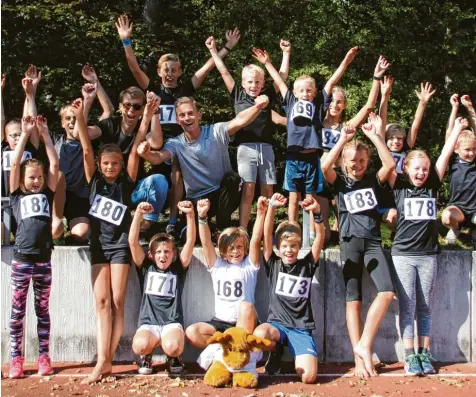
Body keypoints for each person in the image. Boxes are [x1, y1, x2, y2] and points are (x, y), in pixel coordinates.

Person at [116, 15, 240, 237]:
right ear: (159, 72)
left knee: (179, 174)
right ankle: (146, 219)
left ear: (180, 72)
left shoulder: (185, 89)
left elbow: (207, 67)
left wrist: (227, 47)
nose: (170, 74)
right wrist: (126, 41)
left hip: (182, 146)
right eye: (166, 70)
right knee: (160, 180)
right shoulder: (153, 88)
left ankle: (175, 220)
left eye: (174, 70)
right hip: (160, 146)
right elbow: (134, 69)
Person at [252, 46, 390, 240]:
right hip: (296, 157)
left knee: (311, 199)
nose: (305, 93)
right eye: (301, 90)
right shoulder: (293, 103)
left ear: (315, 92)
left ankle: (315, 233)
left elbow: (333, 81)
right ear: (294, 92)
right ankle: (292, 231)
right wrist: (267, 63)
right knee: (293, 198)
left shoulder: (321, 109)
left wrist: (346, 61)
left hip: (321, 165)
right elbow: (279, 83)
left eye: (309, 90)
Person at [75, 92, 160, 384]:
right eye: (106, 164)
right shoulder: (95, 179)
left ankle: (106, 361)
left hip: (121, 246)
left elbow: (136, 145)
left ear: (121, 166)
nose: (111, 167)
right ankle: (104, 360)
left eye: (115, 163)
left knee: (117, 300)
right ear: (100, 165)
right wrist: (78, 115)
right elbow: (86, 148)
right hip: (99, 245)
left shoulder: (127, 181)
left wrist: (147, 115)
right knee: (101, 303)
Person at [387, 117, 469, 376]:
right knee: (407, 306)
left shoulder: (432, 185)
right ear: (407, 169)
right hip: (403, 255)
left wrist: (456, 129)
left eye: (425, 169)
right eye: (417, 169)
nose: (421, 173)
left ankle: (424, 353)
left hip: (428, 255)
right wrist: (376, 136)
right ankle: (409, 355)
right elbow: (387, 161)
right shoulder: (399, 187)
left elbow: (445, 155)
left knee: (425, 307)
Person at [321, 114, 396, 379]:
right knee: (353, 300)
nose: (358, 165)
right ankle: (359, 358)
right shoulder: (340, 182)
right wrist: (342, 139)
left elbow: (389, 163)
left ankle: (364, 345)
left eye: (362, 161)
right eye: (353, 161)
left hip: (373, 241)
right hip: (350, 243)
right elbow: (324, 166)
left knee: (386, 291)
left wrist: (376, 136)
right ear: (344, 162)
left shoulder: (373, 180)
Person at [137, 95, 269, 231]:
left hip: (221, 195)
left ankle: (222, 227)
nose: (187, 118)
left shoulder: (215, 131)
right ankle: (197, 227)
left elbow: (239, 120)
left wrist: (257, 107)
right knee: (189, 236)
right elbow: (159, 157)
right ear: (178, 120)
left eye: (190, 113)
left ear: (199, 115)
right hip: (197, 199)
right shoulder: (175, 143)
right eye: (182, 115)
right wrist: (146, 154)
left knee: (233, 179)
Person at [205, 35, 291, 229]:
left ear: (262, 83)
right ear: (243, 83)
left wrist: (286, 53)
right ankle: (243, 230)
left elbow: (282, 76)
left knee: (268, 190)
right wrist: (212, 50)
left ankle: (267, 230)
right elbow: (223, 71)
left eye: (258, 82)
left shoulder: (267, 95)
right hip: (245, 148)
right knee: (248, 190)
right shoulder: (238, 94)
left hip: (266, 148)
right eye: (250, 82)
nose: (254, 86)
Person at [252, 194, 325, 384]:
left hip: (300, 328)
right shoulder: (273, 263)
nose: (289, 250)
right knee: (260, 334)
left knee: (309, 377)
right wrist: (272, 208)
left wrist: (317, 213)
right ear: (278, 246)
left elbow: (320, 237)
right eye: (284, 246)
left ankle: (294, 350)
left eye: (293, 246)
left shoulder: (307, 265)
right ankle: (275, 350)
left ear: (299, 246)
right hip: (277, 325)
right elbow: (266, 236)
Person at [8, 115, 59, 378]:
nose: (36, 181)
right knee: (17, 311)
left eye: (39, 177)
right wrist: (26, 134)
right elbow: (15, 161)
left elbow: (54, 162)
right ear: (22, 179)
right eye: (31, 177)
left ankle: (43, 356)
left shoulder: (46, 193)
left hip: (43, 260)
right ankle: (15, 358)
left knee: (42, 310)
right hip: (21, 260)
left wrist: (46, 133)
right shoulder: (16, 194)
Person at [83, 86, 168, 241]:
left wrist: (154, 111)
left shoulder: (144, 125)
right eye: (127, 105)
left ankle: (145, 227)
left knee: (159, 180)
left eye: (136, 107)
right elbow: (83, 141)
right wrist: (86, 103)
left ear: (142, 109)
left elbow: (153, 143)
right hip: (107, 191)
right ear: (120, 106)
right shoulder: (109, 125)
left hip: (131, 186)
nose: (131, 111)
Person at [319, 53, 390, 238]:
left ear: (344, 105)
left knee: (340, 213)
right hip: (320, 174)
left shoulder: (347, 127)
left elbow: (368, 107)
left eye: (339, 102)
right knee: (323, 229)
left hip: (339, 177)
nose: (335, 104)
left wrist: (376, 77)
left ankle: (342, 231)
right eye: (332, 101)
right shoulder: (316, 123)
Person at [185, 196, 265, 349]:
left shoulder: (249, 266)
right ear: (223, 250)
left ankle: (241, 352)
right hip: (221, 323)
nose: (235, 252)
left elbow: (255, 239)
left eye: (239, 247)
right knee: (192, 331)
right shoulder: (218, 266)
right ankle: (223, 353)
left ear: (245, 249)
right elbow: (206, 242)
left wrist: (261, 213)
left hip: (243, 323)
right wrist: (202, 217)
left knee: (246, 306)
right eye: (230, 248)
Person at [129, 200, 196, 375]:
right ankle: (146, 355)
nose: (162, 255)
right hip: (148, 323)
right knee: (140, 345)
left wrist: (190, 215)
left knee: (172, 347)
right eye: (158, 252)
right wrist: (138, 214)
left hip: (171, 322)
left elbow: (190, 241)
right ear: (151, 255)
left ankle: (173, 357)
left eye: (167, 251)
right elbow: (132, 242)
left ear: (173, 254)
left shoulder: (178, 268)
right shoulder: (145, 267)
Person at [52, 67, 114, 244]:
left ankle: (69, 233)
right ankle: (56, 226)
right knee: (58, 175)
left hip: (78, 198)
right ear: (62, 122)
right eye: (68, 118)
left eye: (75, 117)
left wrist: (95, 83)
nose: (73, 122)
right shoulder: (54, 139)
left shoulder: (90, 136)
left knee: (81, 233)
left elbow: (108, 111)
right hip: (55, 196)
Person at [377, 79, 436, 231]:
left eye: (400, 139)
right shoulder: (381, 148)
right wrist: (385, 96)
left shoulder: (406, 151)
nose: (396, 141)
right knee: (393, 217)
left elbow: (415, 126)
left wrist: (422, 103)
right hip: (386, 196)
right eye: (392, 138)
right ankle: (392, 233)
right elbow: (381, 122)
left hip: (404, 194)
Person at [2, 71, 42, 239]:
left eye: (20, 134)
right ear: (5, 136)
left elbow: (30, 120)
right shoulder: (3, 148)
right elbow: (1, 119)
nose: (17, 138)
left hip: (26, 203)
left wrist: (30, 95)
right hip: (5, 203)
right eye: (13, 135)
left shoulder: (30, 148)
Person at [442, 94, 476, 247]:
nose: (471, 153)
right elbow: (449, 134)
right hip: (458, 208)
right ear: (455, 149)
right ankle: (456, 229)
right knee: (447, 217)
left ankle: (474, 230)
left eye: (474, 149)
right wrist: (454, 108)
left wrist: (469, 107)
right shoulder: (453, 161)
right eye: (467, 149)